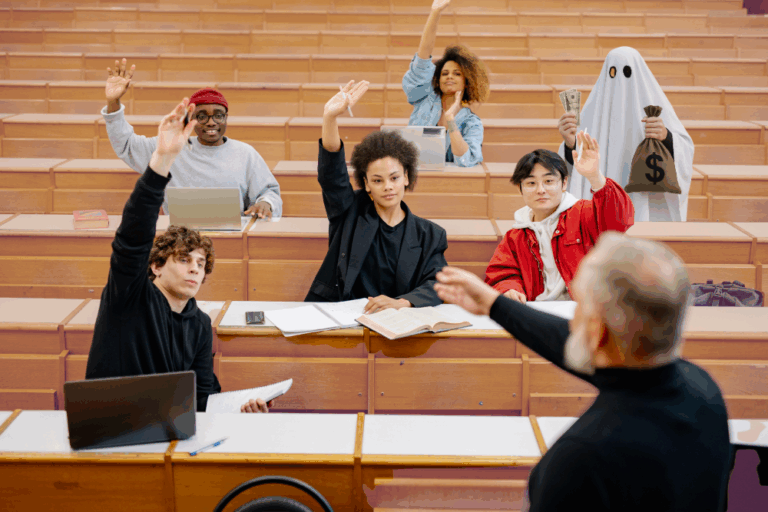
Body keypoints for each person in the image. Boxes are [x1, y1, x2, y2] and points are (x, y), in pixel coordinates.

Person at [434, 234, 731, 511]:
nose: (572, 317)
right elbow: (584, 348)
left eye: (579, 306)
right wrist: (494, 304)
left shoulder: (581, 459)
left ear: (597, 331)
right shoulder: (703, 390)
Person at [86, 98, 272, 414]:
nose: (195, 270)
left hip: (171, 430)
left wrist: (240, 410)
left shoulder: (198, 324)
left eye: (201, 264)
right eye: (184, 260)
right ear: (156, 266)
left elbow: (202, 398)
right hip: (111, 428)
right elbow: (132, 236)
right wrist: (163, 158)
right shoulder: (129, 296)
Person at [306, 80, 448, 314]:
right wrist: (329, 118)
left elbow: (436, 283)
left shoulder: (430, 234)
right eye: (377, 180)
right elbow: (332, 176)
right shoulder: (349, 211)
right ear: (367, 185)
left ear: (406, 177)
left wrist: (402, 303)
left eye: (394, 178)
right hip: (343, 317)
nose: (388, 187)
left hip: (397, 322)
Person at [102, 58, 282, 219]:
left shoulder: (245, 153)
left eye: (218, 116)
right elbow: (126, 144)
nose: (211, 123)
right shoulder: (171, 148)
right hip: (179, 241)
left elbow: (269, 192)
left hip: (232, 238)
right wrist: (113, 103)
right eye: (202, 116)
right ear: (191, 120)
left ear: (226, 118)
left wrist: (266, 203)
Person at [485, 134, 634, 303]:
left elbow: (619, 221)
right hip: (538, 313)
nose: (540, 190)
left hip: (585, 309)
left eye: (549, 181)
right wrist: (510, 289)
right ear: (521, 189)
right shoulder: (516, 236)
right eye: (531, 183)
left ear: (564, 184)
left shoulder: (584, 213)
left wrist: (595, 176)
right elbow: (502, 274)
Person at [557, 46, 694, 221]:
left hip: (645, 204)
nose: (620, 80)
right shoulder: (591, 113)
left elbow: (685, 150)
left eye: (627, 72)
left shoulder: (656, 109)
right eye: (612, 72)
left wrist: (666, 137)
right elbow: (569, 168)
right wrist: (570, 146)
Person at [402, 0, 490, 167]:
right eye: (444, 73)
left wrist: (450, 119)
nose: (449, 77)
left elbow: (467, 159)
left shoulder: (472, 122)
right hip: (413, 175)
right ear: (437, 79)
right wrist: (435, 13)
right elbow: (422, 59)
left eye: (457, 74)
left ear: (466, 82)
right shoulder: (424, 98)